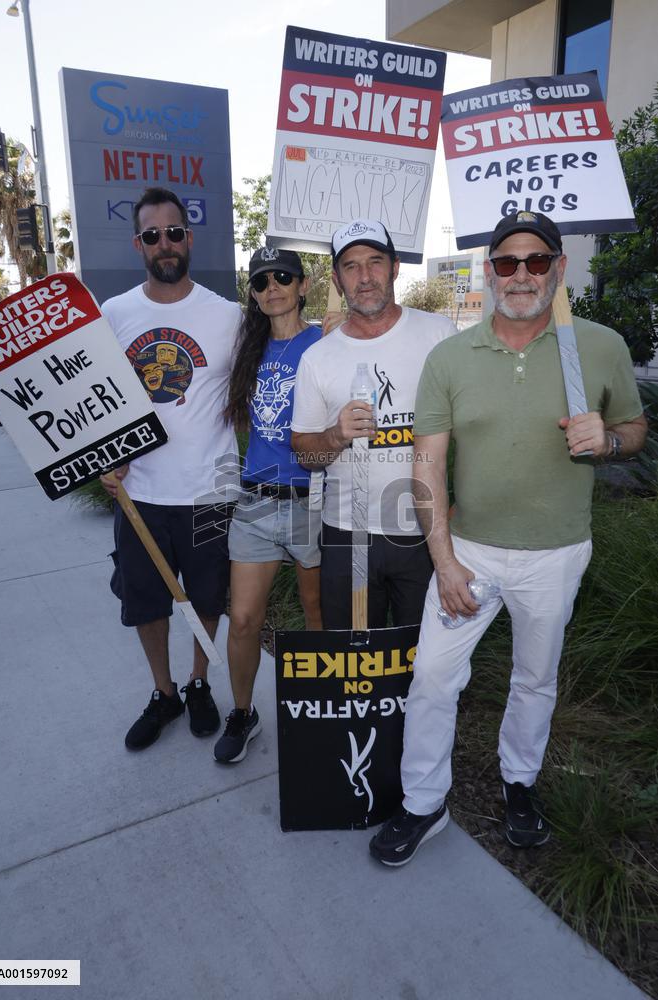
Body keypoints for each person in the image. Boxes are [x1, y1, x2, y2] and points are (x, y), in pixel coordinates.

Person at [369, 210, 647, 865]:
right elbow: (427, 463)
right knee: (432, 678)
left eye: (534, 260)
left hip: (555, 554)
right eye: (504, 262)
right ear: (488, 271)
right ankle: (421, 803)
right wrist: (443, 562)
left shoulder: (598, 347)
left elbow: (632, 431)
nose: (519, 274)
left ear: (558, 267)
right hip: (468, 552)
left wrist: (606, 440)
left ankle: (518, 785)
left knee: (533, 679)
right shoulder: (450, 357)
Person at [101, 186, 241, 751]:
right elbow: (95, 401)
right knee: (147, 602)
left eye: (175, 232)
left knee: (207, 597)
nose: (165, 243)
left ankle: (199, 683)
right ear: (139, 244)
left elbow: (269, 375)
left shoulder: (227, 315)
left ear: (189, 238)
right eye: (153, 235)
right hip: (139, 494)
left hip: (209, 490)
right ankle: (164, 694)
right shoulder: (114, 315)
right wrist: (102, 461)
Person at [291, 219, 456, 629]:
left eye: (375, 262)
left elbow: (470, 432)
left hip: (425, 530)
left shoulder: (439, 335)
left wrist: (460, 508)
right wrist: (335, 435)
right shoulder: (319, 357)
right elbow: (306, 456)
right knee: (355, 661)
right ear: (337, 278)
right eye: (351, 266)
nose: (364, 277)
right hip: (348, 532)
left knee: (424, 662)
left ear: (395, 267)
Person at [214, 247, 323, 764]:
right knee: (242, 620)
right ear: (254, 296)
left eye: (283, 277)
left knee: (316, 614)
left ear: (303, 285)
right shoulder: (248, 351)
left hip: (313, 501)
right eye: (261, 282)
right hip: (256, 501)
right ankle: (242, 712)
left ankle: (326, 709)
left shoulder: (326, 340)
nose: (272, 286)